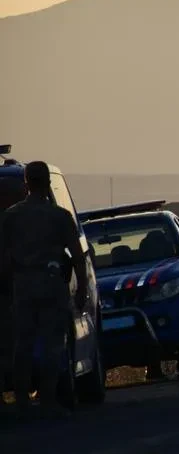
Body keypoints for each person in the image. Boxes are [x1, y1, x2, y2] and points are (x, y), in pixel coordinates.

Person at [0, 161, 89, 417]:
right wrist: (81, 287)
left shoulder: (12, 216)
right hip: (52, 283)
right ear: (48, 183)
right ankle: (48, 400)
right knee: (52, 343)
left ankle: (22, 401)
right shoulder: (60, 216)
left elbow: (3, 257)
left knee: (22, 344)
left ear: (26, 182)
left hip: (22, 285)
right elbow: (77, 255)